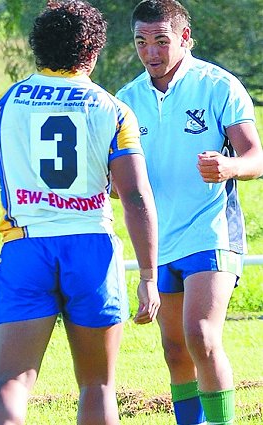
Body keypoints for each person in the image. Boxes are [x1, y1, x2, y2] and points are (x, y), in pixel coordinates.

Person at [0, 1, 161, 424]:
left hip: (25, 248)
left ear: (38, 48)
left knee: (10, 384)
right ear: (92, 52)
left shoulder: (0, 107)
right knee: (97, 386)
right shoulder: (113, 109)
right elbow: (137, 197)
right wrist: (148, 277)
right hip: (91, 248)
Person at [116, 1, 263, 424]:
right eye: (142, 42)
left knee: (200, 336)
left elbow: (255, 156)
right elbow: (118, 173)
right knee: (174, 348)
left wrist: (229, 166)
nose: (151, 52)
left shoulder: (219, 85)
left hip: (211, 231)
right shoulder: (127, 99)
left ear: (184, 39)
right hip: (158, 240)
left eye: (162, 41)